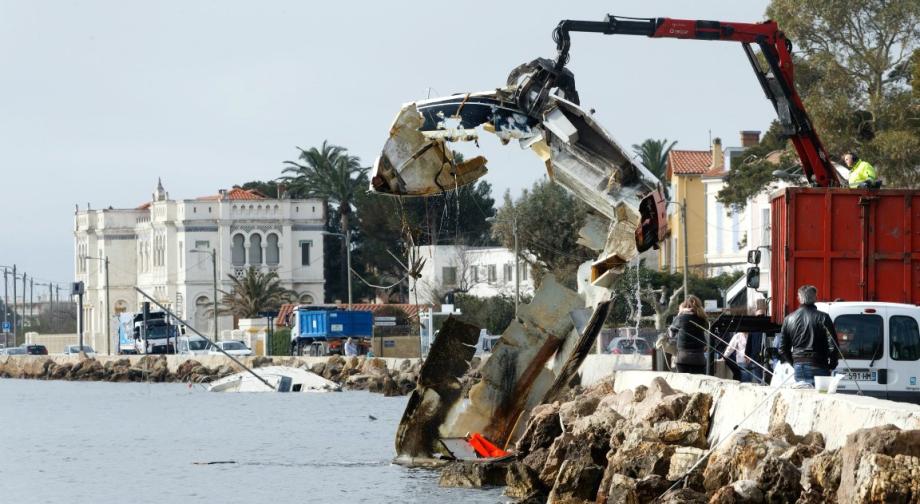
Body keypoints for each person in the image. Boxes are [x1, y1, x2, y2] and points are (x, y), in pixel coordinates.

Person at [780, 285, 839, 385]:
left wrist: (794, 363)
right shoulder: (823, 317)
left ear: (799, 298)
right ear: (816, 298)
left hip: (799, 365)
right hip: (819, 364)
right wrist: (831, 365)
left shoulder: (788, 319)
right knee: (820, 398)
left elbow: (782, 349)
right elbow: (833, 346)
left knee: (804, 397)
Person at [668, 295, 709, 375]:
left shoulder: (681, 318)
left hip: (683, 358)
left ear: (684, 307)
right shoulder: (702, 318)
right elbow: (707, 329)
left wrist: (680, 313)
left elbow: (671, 334)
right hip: (699, 358)